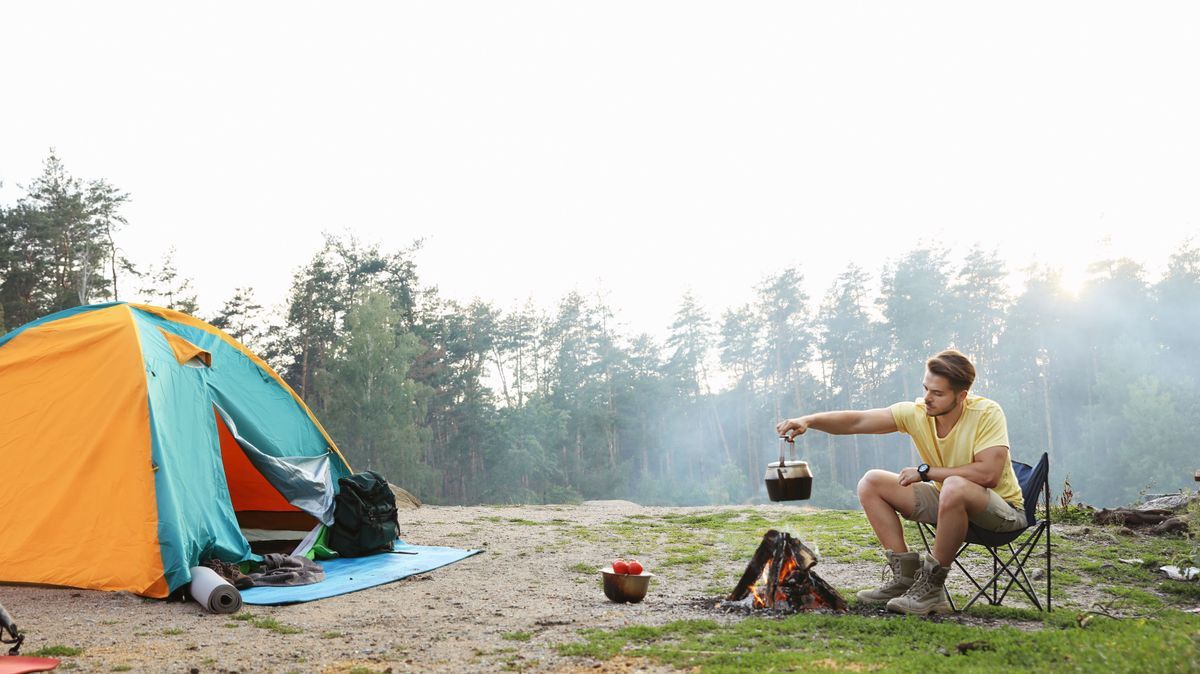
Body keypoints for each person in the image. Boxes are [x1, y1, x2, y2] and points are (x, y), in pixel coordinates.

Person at [775, 349, 1026, 615]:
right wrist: (809, 421)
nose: (927, 398)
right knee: (872, 482)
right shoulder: (917, 413)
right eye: (926, 388)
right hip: (949, 502)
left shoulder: (986, 412)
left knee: (953, 485)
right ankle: (905, 579)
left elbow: (989, 474)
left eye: (937, 393)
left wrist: (927, 472)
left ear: (961, 396)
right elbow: (857, 421)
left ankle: (931, 590)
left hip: (1001, 513)